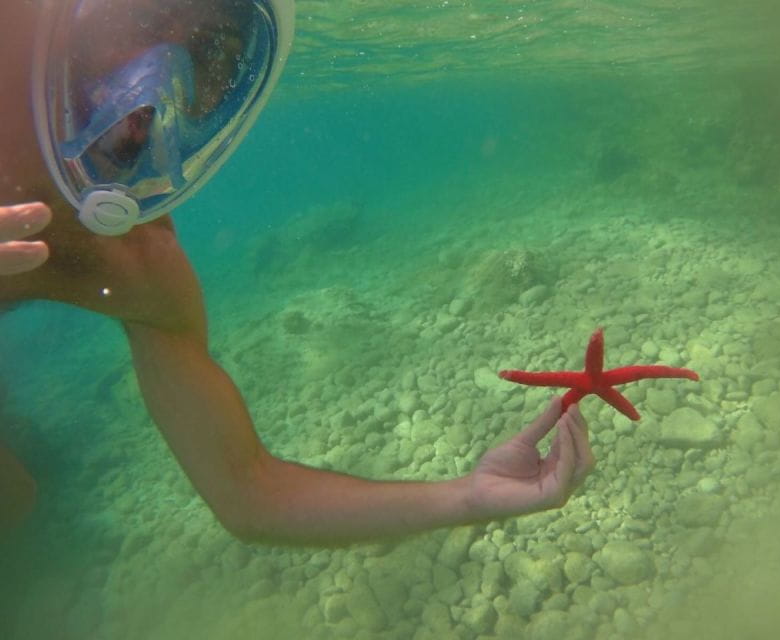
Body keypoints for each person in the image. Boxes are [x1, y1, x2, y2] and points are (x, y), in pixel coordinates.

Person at [0, 0, 594, 545]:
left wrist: (469, 495)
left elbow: (249, 493)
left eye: (208, 56)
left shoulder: (140, 262)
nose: (154, 85)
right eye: (142, 22)